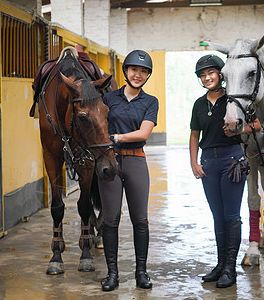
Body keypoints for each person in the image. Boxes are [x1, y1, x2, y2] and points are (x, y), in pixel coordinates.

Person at [189, 54, 261, 288]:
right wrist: (194, 162)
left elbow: (257, 125)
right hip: (208, 162)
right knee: (217, 217)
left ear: (221, 74)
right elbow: (194, 135)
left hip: (232, 160)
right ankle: (220, 265)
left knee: (231, 216)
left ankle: (230, 269)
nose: (207, 77)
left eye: (211, 73)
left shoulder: (234, 98)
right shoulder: (199, 104)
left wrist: (239, 132)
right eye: (202, 75)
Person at [98, 50, 158, 292]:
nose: (138, 75)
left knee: (140, 220)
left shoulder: (150, 101)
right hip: (109, 162)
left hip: (135, 161)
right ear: (125, 71)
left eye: (144, 71)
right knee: (110, 220)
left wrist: (115, 137)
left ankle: (141, 273)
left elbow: (144, 133)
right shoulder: (108, 99)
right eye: (134, 69)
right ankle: (112, 274)